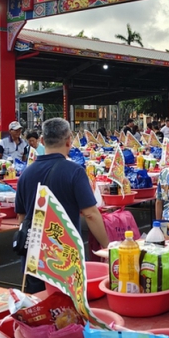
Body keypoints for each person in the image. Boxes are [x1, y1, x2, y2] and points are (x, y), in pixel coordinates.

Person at [15, 117, 109, 292]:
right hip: (65, 256)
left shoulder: (26, 174)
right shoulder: (75, 172)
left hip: (34, 255)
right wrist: (107, 246)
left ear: (42, 141)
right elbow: (90, 214)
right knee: (68, 304)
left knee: (39, 303)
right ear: (68, 141)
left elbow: (21, 217)